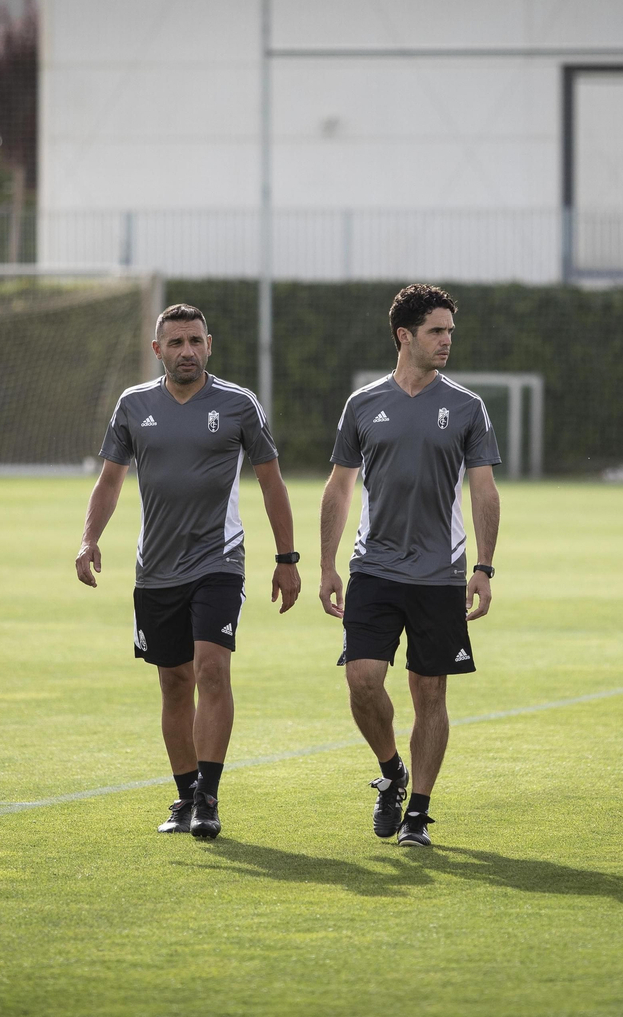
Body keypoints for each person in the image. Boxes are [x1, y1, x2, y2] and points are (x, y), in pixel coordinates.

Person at [76, 303, 300, 840]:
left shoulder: (239, 405)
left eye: (196, 341)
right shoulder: (133, 405)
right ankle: (183, 795)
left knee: (210, 671)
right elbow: (110, 481)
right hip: (155, 568)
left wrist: (287, 560)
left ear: (209, 344)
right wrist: (88, 539)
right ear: (158, 350)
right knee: (173, 682)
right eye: (175, 343)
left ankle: (208, 797)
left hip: (218, 561)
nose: (187, 351)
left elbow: (272, 483)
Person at [319, 284, 502, 848]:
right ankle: (392, 770)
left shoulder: (469, 407)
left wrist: (484, 566)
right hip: (373, 567)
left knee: (430, 693)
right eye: (436, 331)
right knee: (362, 679)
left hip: (441, 573)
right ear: (405, 335)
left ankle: (418, 812)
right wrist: (326, 564)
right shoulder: (363, 404)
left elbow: (485, 492)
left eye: (449, 330)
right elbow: (339, 488)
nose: (447, 340)